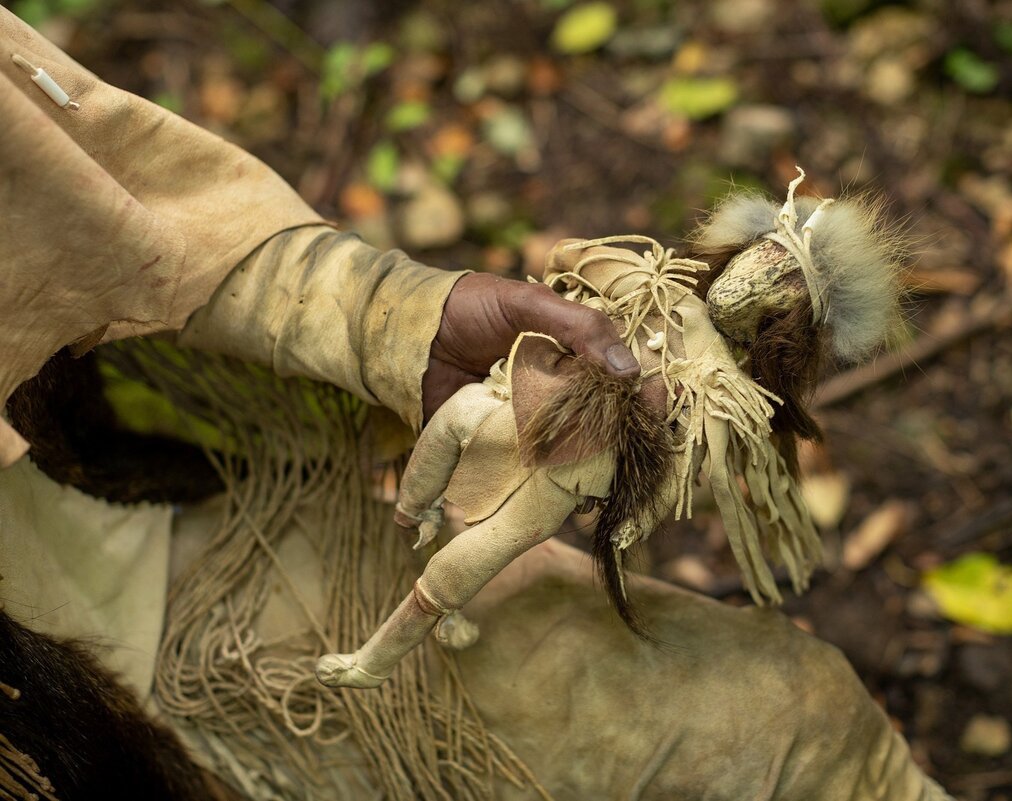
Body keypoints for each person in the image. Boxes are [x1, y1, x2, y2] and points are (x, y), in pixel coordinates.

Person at [0, 7, 950, 800]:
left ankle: (389, 618)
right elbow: (586, 265)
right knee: (458, 448)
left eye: (775, 283)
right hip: (52, 712)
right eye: (761, 261)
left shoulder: (714, 370)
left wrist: (398, 317)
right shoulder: (662, 296)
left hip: (157, 527)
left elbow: (110, 205)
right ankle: (404, 559)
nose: (749, 280)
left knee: (799, 723)